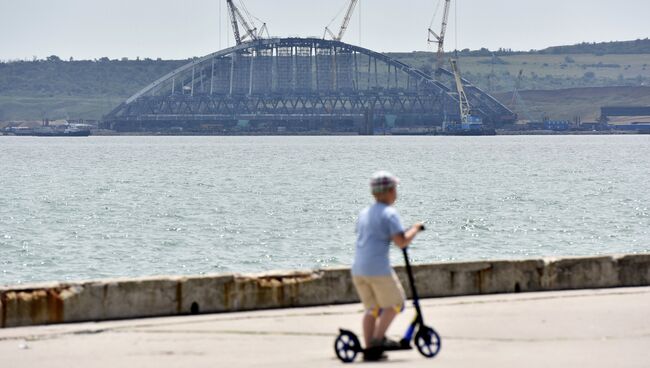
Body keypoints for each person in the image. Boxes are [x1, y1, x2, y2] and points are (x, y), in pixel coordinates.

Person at [351, 171, 424, 361]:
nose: (396, 193)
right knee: (396, 303)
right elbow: (401, 242)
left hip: (358, 270)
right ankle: (377, 340)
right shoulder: (389, 213)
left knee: (372, 308)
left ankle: (369, 349)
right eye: (395, 189)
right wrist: (415, 228)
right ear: (389, 191)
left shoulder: (364, 213)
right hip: (378, 269)